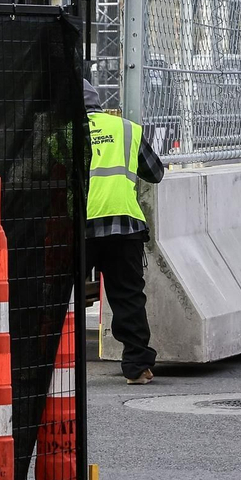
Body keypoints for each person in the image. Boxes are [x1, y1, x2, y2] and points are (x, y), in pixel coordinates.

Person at [84, 80, 165, 385]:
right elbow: (155, 172)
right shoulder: (126, 129)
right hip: (125, 224)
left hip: (81, 224)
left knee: (61, 296)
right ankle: (138, 367)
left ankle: (50, 362)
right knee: (128, 295)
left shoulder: (64, 132)